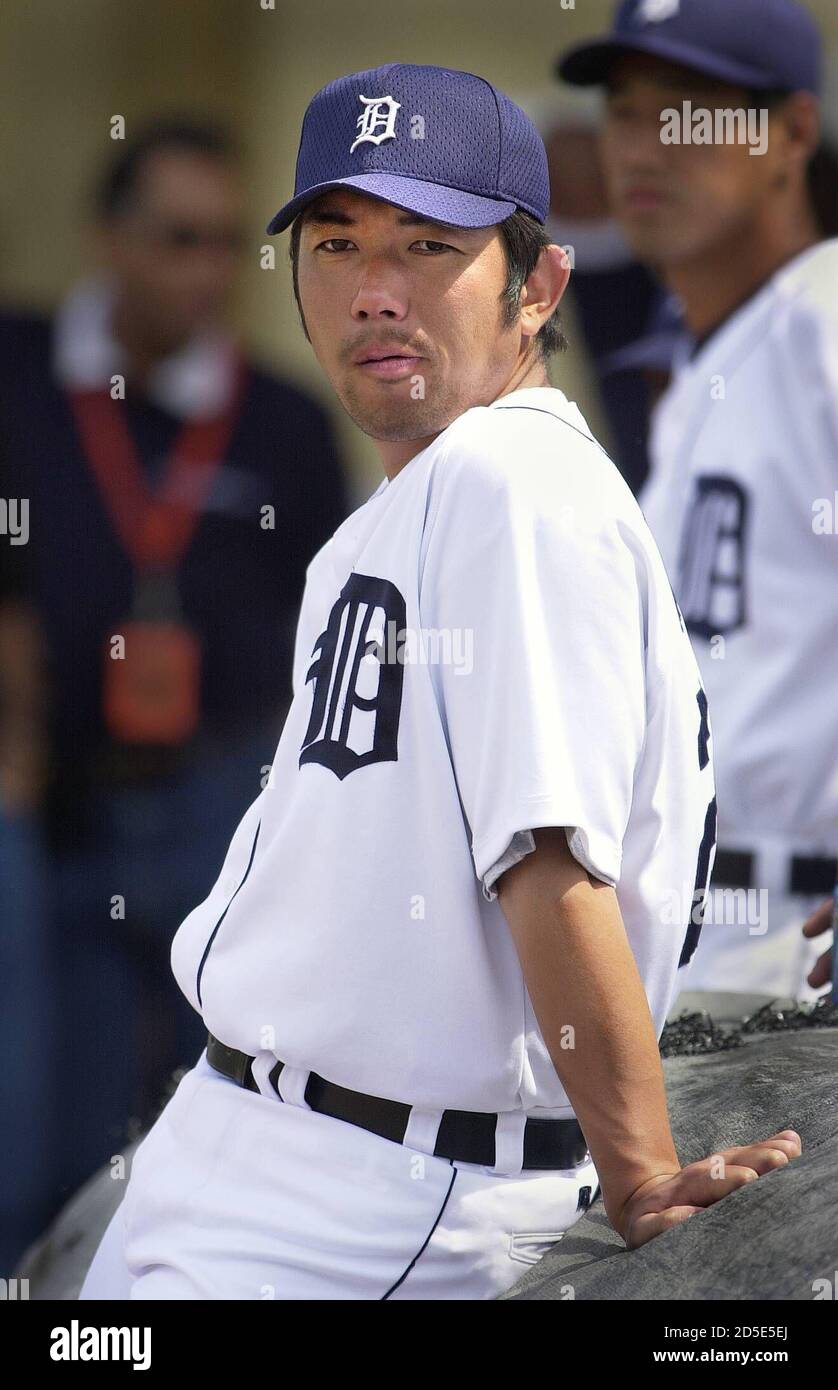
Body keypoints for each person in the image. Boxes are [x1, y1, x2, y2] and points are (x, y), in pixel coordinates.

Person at [79, 63, 800, 1302]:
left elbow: (547, 855)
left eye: (428, 245)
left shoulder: (508, 485)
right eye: (335, 243)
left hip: (369, 1190)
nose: (374, 292)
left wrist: (635, 1171)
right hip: (256, 1148)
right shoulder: (437, 486)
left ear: (540, 285)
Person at [0, 118, 350, 1211]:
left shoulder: (286, 418)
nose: (205, 273)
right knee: (51, 1127)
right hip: (60, 804)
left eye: (224, 244)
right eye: (176, 239)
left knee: (230, 1122)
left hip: (219, 809)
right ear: (109, 237)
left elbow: (323, 637)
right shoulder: (19, 374)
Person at [558, 0, 838, 1000]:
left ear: (792, 133)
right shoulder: (702, 357)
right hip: (693, 937)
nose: (646, 144)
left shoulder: (824, 316)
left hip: (796, 938)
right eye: (626, 110)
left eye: (691, 109)